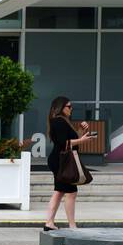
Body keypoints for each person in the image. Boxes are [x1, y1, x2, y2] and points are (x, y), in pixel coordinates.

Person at [44, 96, 96, 231]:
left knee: (59, 191)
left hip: (60, 160)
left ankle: (49, 223)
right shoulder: (59, 121)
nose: (71, 109)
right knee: (71, 192)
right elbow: (63, 143)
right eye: (69, 106)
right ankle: (72, 226)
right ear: (61, 108)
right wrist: (82, 140)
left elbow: (70, 139)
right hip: (62, 161)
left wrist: (80, 131)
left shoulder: (62, 121)